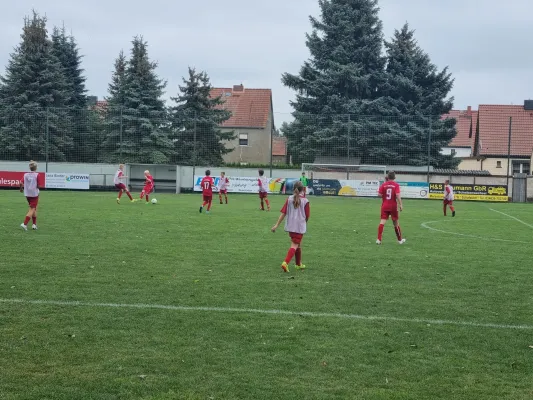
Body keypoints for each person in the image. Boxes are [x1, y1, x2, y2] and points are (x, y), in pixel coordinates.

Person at [272, 181, 310, 272]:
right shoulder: (305, 201)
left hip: (291, 227)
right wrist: (304, 222)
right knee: (294, 245)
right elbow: (307, 215)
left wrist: (276, 225)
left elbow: (283, 213)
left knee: (298, 244)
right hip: (299, 227)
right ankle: (285, 263)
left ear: (294, 189)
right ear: (303, 189)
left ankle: (298, 264)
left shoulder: (289, 199)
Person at [376, 171, 406, 245]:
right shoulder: (396, 185)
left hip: (384, 206)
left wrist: (383, 194)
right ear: (394, 177)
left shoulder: (383, 185)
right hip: (393, 206)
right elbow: (398, 195)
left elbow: (379, 194)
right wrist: (401, 205)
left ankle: (379, 239)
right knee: (396, 223)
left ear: (388, 177)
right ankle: (400, 240)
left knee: (382, 222)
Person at [19, 160, 41, 231]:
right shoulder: (37, 175)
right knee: (32, 209)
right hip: (34, 194)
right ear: (36, 168)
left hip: (27, 194)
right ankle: (24, 224)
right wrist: (37, 186)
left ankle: (34, 225)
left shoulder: (25, 175)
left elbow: (21, 182)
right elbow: (38, 185)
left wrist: (21, 189)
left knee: (34, 208)